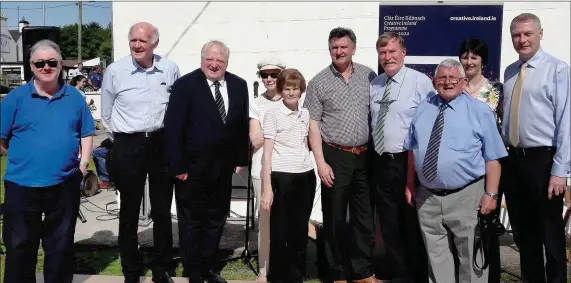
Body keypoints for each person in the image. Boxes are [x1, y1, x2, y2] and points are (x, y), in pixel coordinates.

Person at [0, 39, 96, 283]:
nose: (46, 67)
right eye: (40, 63)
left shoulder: (74, 97)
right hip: (21, 185)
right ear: (31, 66)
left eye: (51, 62)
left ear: (61, 65)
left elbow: (86, 133)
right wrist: (24, 157)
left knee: (60, 246)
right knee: (20, 246)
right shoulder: (15, 98)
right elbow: (1, 138)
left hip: (64, 184)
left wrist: (83, 165)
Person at [404, 59, 507, 283]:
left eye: (453, 78)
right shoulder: (423, 108)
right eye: (442, 78)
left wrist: (491, 195)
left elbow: (493, 158)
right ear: (434, 81)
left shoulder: (480, 111)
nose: (447, 82)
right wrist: (410, 184)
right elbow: (413, 149)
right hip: (428, 197)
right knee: (436, 257)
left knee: (470, 257)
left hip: (467, 196)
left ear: (462, 82)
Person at [100, 22, 180, 283]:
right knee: (129, 210)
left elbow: (177, 108)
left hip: (161, 143)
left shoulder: (170, 69)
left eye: (142, 41)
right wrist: (124, 137)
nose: (136, 45)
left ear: (155, 43)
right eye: (133, 40)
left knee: (161, 208)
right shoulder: (115, 71)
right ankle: (131, 270)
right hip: (128, 144)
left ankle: (162, 267)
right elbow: (106, 113)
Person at [164, 40, 249, 283]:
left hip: (222, 170)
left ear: (226, 63)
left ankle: (209, 268)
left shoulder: (238, 85)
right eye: (209, 59)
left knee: (215, 220)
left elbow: (241, 125)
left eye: (219, 60)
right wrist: (178, 167)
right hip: (191, 170)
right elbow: (173, 128)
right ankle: (193, 271)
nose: (214, 64)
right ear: (201, 60)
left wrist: (241, 158)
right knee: (191, 222)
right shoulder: (185, 86)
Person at [304, 27, 379, 283]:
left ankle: (362, 271)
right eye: (335, 47)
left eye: (344, 47)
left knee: (363, 217)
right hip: (335, 156)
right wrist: (321, 163)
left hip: (365, 156)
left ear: (353, 48)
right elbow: (313, 124)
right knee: (335, 216)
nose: (339, 52)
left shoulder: (369, 76)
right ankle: (336, 272)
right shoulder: (318, 82)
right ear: (329, 50)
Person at [500, 13, 570, 283]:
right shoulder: (509, 72)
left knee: (550, 235)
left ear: (540, 34)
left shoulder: (558, 70)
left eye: (528, 33)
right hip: (513, 161)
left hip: (543, 161)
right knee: (523, 234)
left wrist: (560, 171)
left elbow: (566, 122)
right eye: (517, 35)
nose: (522, 39)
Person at [369, 32, 433, 283]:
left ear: (403, 53)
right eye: (383, 53)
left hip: (407, 162)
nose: (388, 57)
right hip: (380, 161)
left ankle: (417, 275)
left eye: (392, 52)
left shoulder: (420, 82)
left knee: (410, 222)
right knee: (388, 224)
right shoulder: (375, 84)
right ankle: (398, 275)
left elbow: (428, 125)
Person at [260, 68, 316, 283]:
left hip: (305, 175)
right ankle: (278, 276)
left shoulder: (306, 113)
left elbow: (305, 143)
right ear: (281, 90)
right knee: (280, 230)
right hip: (281, 177)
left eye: (295, 88)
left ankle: (296, 276)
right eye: (287, 89)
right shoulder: (272, 113)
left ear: (301, 90)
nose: (292, 93)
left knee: (299, 228)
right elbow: (267, 152)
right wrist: (267, 187)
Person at [458, 37, 505, 283]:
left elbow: (501, 131)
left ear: (482, 60)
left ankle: (490, 276)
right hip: (462, 169)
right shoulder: (454, 89)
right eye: (465, 56)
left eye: (474, 56)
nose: (469, 61)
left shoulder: (496, 90)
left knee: (486, 226)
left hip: (488, 168)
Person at [248, 56, 286, 282]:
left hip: (290, 167)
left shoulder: (294, 99)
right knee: (265, 221)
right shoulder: (257, 103)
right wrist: (281, 132)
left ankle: (285, 266)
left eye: (274, 74)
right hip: (262, 167)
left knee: (288, 220)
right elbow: (255, 139)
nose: (270, 78)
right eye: (265, 75)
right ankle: (264, 269)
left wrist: (269, 133)